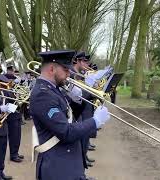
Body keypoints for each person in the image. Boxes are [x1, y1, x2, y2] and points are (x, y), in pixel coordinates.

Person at [30, 50, 110, 180]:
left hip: (65, 162)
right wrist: (95, 121)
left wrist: (78, 101)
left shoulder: (53, 89)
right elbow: (66, 132)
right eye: (66, 70)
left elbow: (69, 118)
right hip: (58, 167)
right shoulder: (42, 94)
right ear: (52, 69)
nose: (69, 74)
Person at [72, 52, 97, 170]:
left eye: (86, 62)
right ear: (77, 61)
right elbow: (78, 96)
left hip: (82, 109)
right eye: (84, 61)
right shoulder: (72, 74)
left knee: (83, 140)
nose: (86, 64)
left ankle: (83, 164)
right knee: (79, 142)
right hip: (76, 112)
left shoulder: (80, 74)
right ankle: (81, 168)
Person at [4, 65, 24, 162]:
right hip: (11, 116)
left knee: (18, 136)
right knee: (13, 136)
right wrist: (17, 103)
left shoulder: (14, 89)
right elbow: (7, 102)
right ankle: (13, 155)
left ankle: (16, 152)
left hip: (17, 114)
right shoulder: (6, 90)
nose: (12, 82)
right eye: (11, 80)